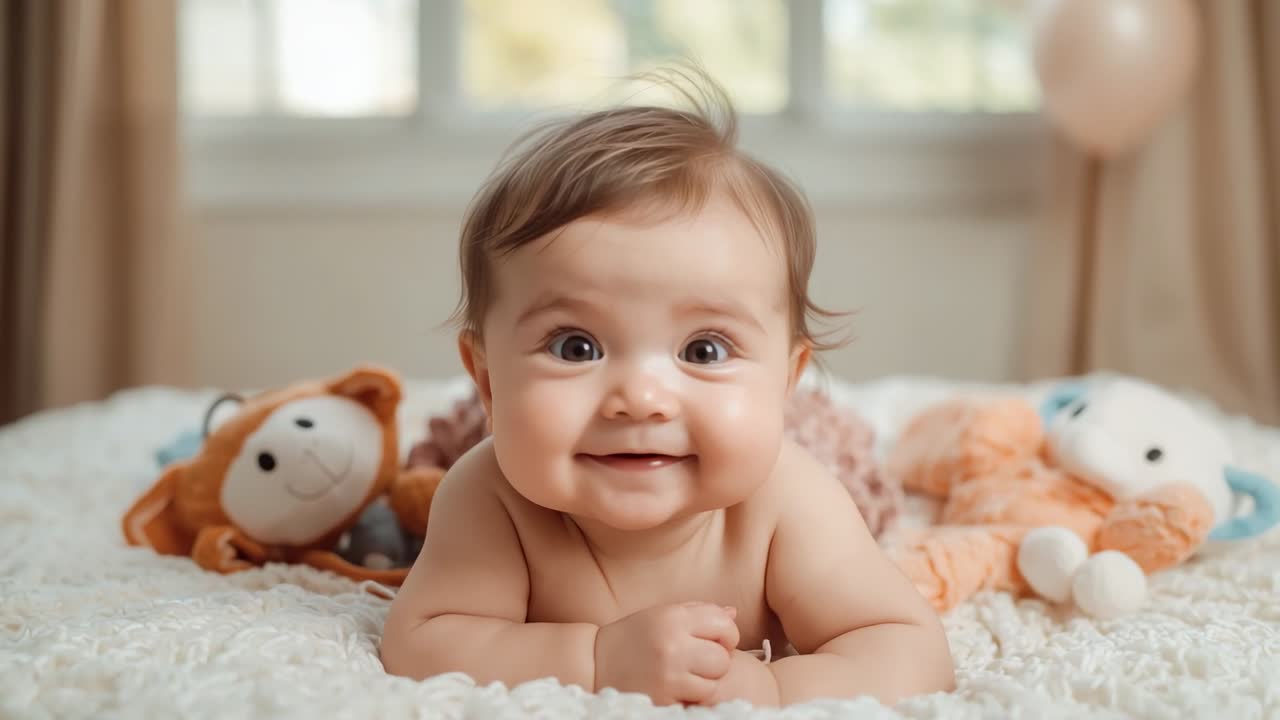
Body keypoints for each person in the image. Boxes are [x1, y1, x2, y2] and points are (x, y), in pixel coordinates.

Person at [380, 68, 955, 708]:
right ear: (487, 382)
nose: (641, 398)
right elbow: (421, 643)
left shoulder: (788, 500)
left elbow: (909, 647)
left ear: (785, 384)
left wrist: (770, 684)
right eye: (576, 347)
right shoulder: (490, 497)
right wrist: (595, 661)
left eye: (703, 350)